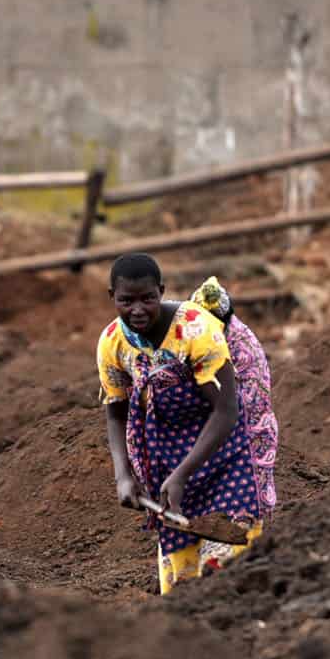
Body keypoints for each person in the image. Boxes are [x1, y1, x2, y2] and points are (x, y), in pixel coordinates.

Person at [97, 253, 278, 594]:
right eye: (126, 301)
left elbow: (227, 410)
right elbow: (116, 411)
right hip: (170, 430)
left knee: (231, 571)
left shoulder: (195, 331)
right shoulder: (112, 344)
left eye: (147, 298)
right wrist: (124, 474)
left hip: (227, 430)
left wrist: (181, 475)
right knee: (180, 584)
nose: (137, 309)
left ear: (162, 292)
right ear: (112, 298)